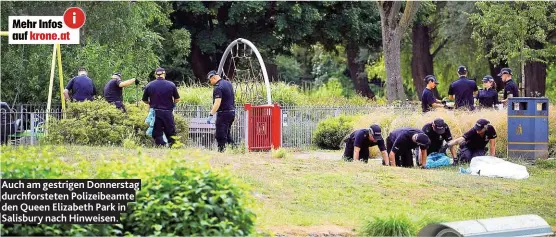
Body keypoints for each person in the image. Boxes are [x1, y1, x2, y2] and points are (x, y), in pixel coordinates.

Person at [142, 67, 180, 147]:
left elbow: (144, 100)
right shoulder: (171, 85)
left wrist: (150, 103)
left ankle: (160, 146)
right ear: (164, 74)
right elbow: (177, 99)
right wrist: (173, 103)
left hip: (156, 112)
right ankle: (173, 146)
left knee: (157, 131)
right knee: (170, 131)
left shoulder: (149, 85)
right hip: (168, 112)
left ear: (156, 75)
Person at [207, 70, 236, 152]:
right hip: (231, 112)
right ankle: (236, 149)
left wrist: (211, 114)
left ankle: (221, 152)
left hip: (223, 113)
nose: (210, 83)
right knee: (227, 134)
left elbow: (217, 102)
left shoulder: (218, 87)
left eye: (210, 81)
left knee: (220, 135)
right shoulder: (228, 83)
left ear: (213, 77)